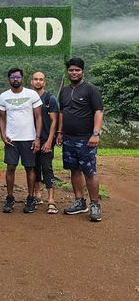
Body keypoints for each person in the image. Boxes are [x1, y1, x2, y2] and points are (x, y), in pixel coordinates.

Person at [57, 57, 104, 222]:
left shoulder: (90, 89)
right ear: (67, 72)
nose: (74, 73)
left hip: (86, 139)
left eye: (77, 70)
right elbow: (62, 113)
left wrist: (96, 134)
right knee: (74, 170)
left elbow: (98, 112)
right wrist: (60, 132)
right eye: (71, 70)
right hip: (69, 138)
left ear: (82, 71)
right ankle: (79, 202)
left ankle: (95, 204)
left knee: (89, 172)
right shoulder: (64, 91)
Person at [0, 67, 43, 214]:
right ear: (9, 79)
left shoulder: (32, 94)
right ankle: (10, 198)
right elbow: (2, 118)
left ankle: (30, 198)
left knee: (30, 168)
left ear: (22, 78)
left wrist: (37, 138)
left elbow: (38, 117)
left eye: (17, 77)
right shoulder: (4, 96)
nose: (15, 79)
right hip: (12, 139)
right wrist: (3, 135)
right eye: (12, 77)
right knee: (11, 167)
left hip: (29, 138)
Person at [31, 71, 59, 214]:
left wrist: (49, 141)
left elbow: (54, 121)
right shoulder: (28, 97)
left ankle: (51, 199)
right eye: (35, 79)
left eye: (41, 79)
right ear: (31, 82)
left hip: (46, 139)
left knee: (47, 168)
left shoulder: (50, 99)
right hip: (31, 139)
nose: (38, 82)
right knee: (34, 168)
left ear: (44, 82)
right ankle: (37, 195)